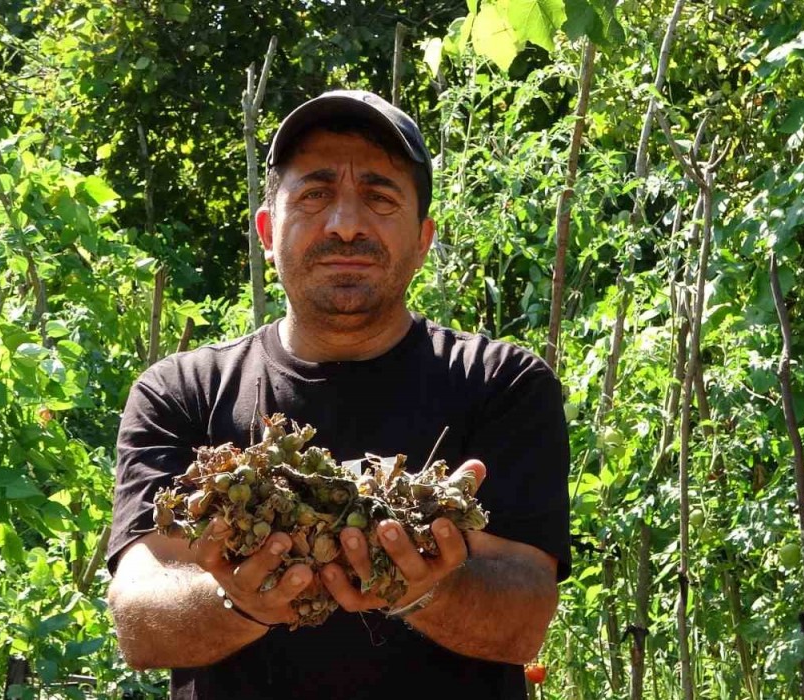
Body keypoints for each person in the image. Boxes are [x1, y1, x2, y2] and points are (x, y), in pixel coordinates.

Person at [106, 89, 571, 700]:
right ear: (269, 230)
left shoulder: (501, 385)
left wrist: (430, 589)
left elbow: (525, 620)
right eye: (315, 195)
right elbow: (140, 621)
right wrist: (241, 602)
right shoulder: (181, 394)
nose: (346, 224)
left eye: (379, 197)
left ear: (423, 237)